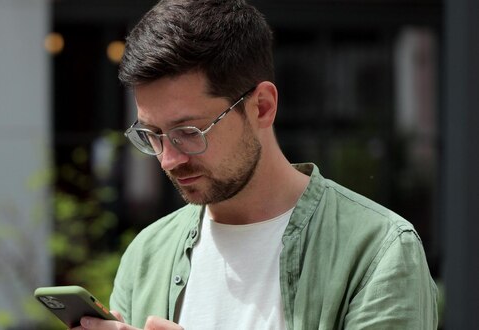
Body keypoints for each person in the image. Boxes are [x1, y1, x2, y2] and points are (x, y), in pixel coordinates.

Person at [75, 0, 438, 329]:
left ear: (262, 106)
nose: (170, 158)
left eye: (188, 131)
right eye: (153, 134)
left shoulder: (379, 250)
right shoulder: (149, 253)